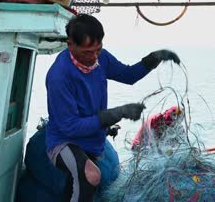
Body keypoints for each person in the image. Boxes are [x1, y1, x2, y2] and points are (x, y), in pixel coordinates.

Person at [45, 14, 180, 201]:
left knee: (78, 187)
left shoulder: (102, 59)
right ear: (70, 45)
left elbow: (128, 75)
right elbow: (70, 127)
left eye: (97, 50)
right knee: (90, 175)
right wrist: (116, 114)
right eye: (87, 52)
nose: (94, 58)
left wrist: (153, 58)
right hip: (64, 141)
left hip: (92, 142)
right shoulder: (59, 76)